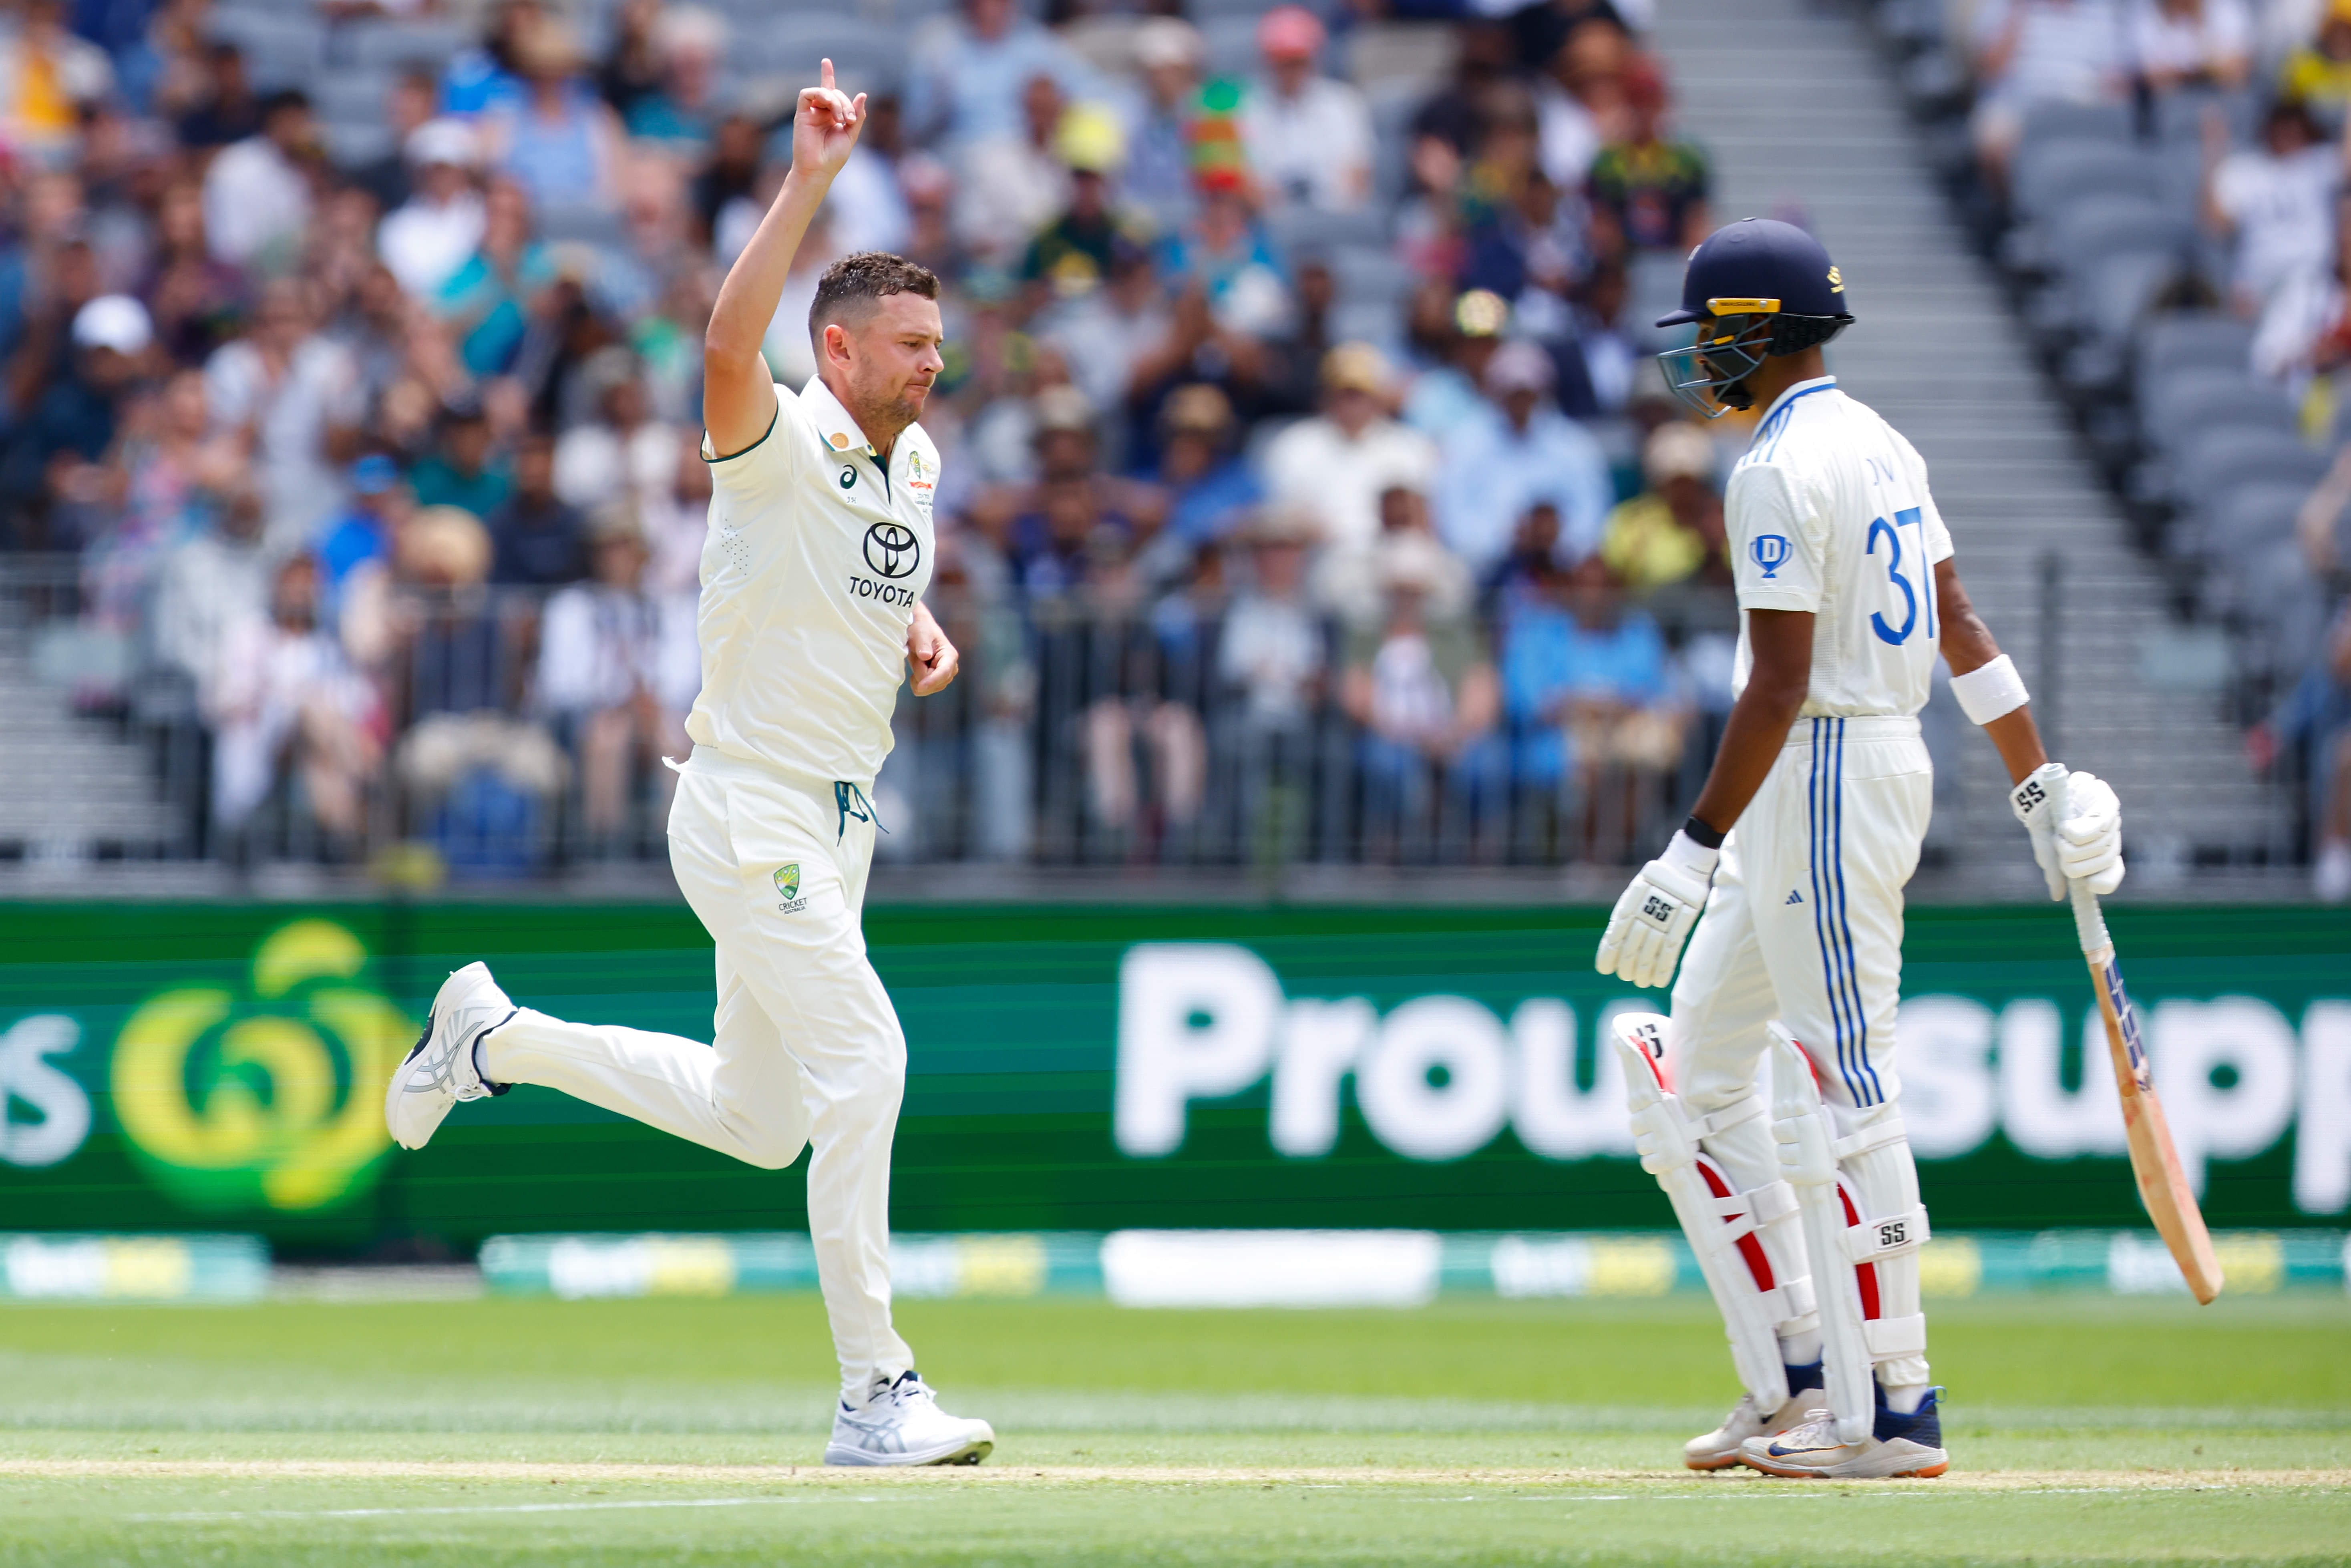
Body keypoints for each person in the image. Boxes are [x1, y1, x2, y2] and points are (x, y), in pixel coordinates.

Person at [384, 62, 989, 1469]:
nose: (930, 363)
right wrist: (807, 183)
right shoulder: (774, 438)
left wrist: (916, 625)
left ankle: (492, 1040)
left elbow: (866, 566)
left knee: (760, 1118)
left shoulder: (913, 464)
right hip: (748, 805)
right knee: (868, 1063)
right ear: (835, 351)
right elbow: (725, 343)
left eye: (936, 343)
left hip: (838, 820)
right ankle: (875, 1392)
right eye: (908, 344)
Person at [1593, 219, 2126, 1479]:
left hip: (1826, 767)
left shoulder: (1776, 467)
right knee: (1689, 1076)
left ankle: (1890, 1407)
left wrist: (1689, 848)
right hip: (1830, 769)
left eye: (1711, 336)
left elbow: (1778, 683)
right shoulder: (1880, 440)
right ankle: (1792, 1375)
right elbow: (1957, 622)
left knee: (1842, 1080)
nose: (1698, 360)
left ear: (1761, 334)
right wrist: (2032, 778)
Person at [1260, 343, 1439, 552]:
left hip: (1390, 556)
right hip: (1318, 557)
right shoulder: (1295, 445)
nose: (1352, 405)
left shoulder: (1410, 447)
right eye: (1344, 394)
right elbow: (1280, 517)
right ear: (1325, 396)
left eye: (1360, 395)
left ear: (1379, 398)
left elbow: (1422, 521)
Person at [1237, 6, 1374, 212]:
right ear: (1268, 61)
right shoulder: (1246, 107)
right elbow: (1247, 183)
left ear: (1314, 59)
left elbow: (1358, 176)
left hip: (1335, 216)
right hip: (1270, 218)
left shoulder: (1343, 102)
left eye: (1298, 61)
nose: (1290, 71)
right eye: (1282, 62)